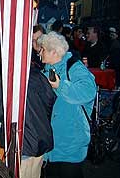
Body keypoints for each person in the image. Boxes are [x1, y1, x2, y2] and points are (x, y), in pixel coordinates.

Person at [0, 64, 56, 178]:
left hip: (21, 143)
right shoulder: (38, 75)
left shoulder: (7, 79)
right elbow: (51, 100)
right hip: (41, 139)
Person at [38, 32, 97, 178]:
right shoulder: (46, 70)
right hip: (52, 144)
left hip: (71, 142)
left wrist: (61, 86)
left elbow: (89, 91)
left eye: (43, 49)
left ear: (54, 52)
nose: (39, 52)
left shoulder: (74, 67)